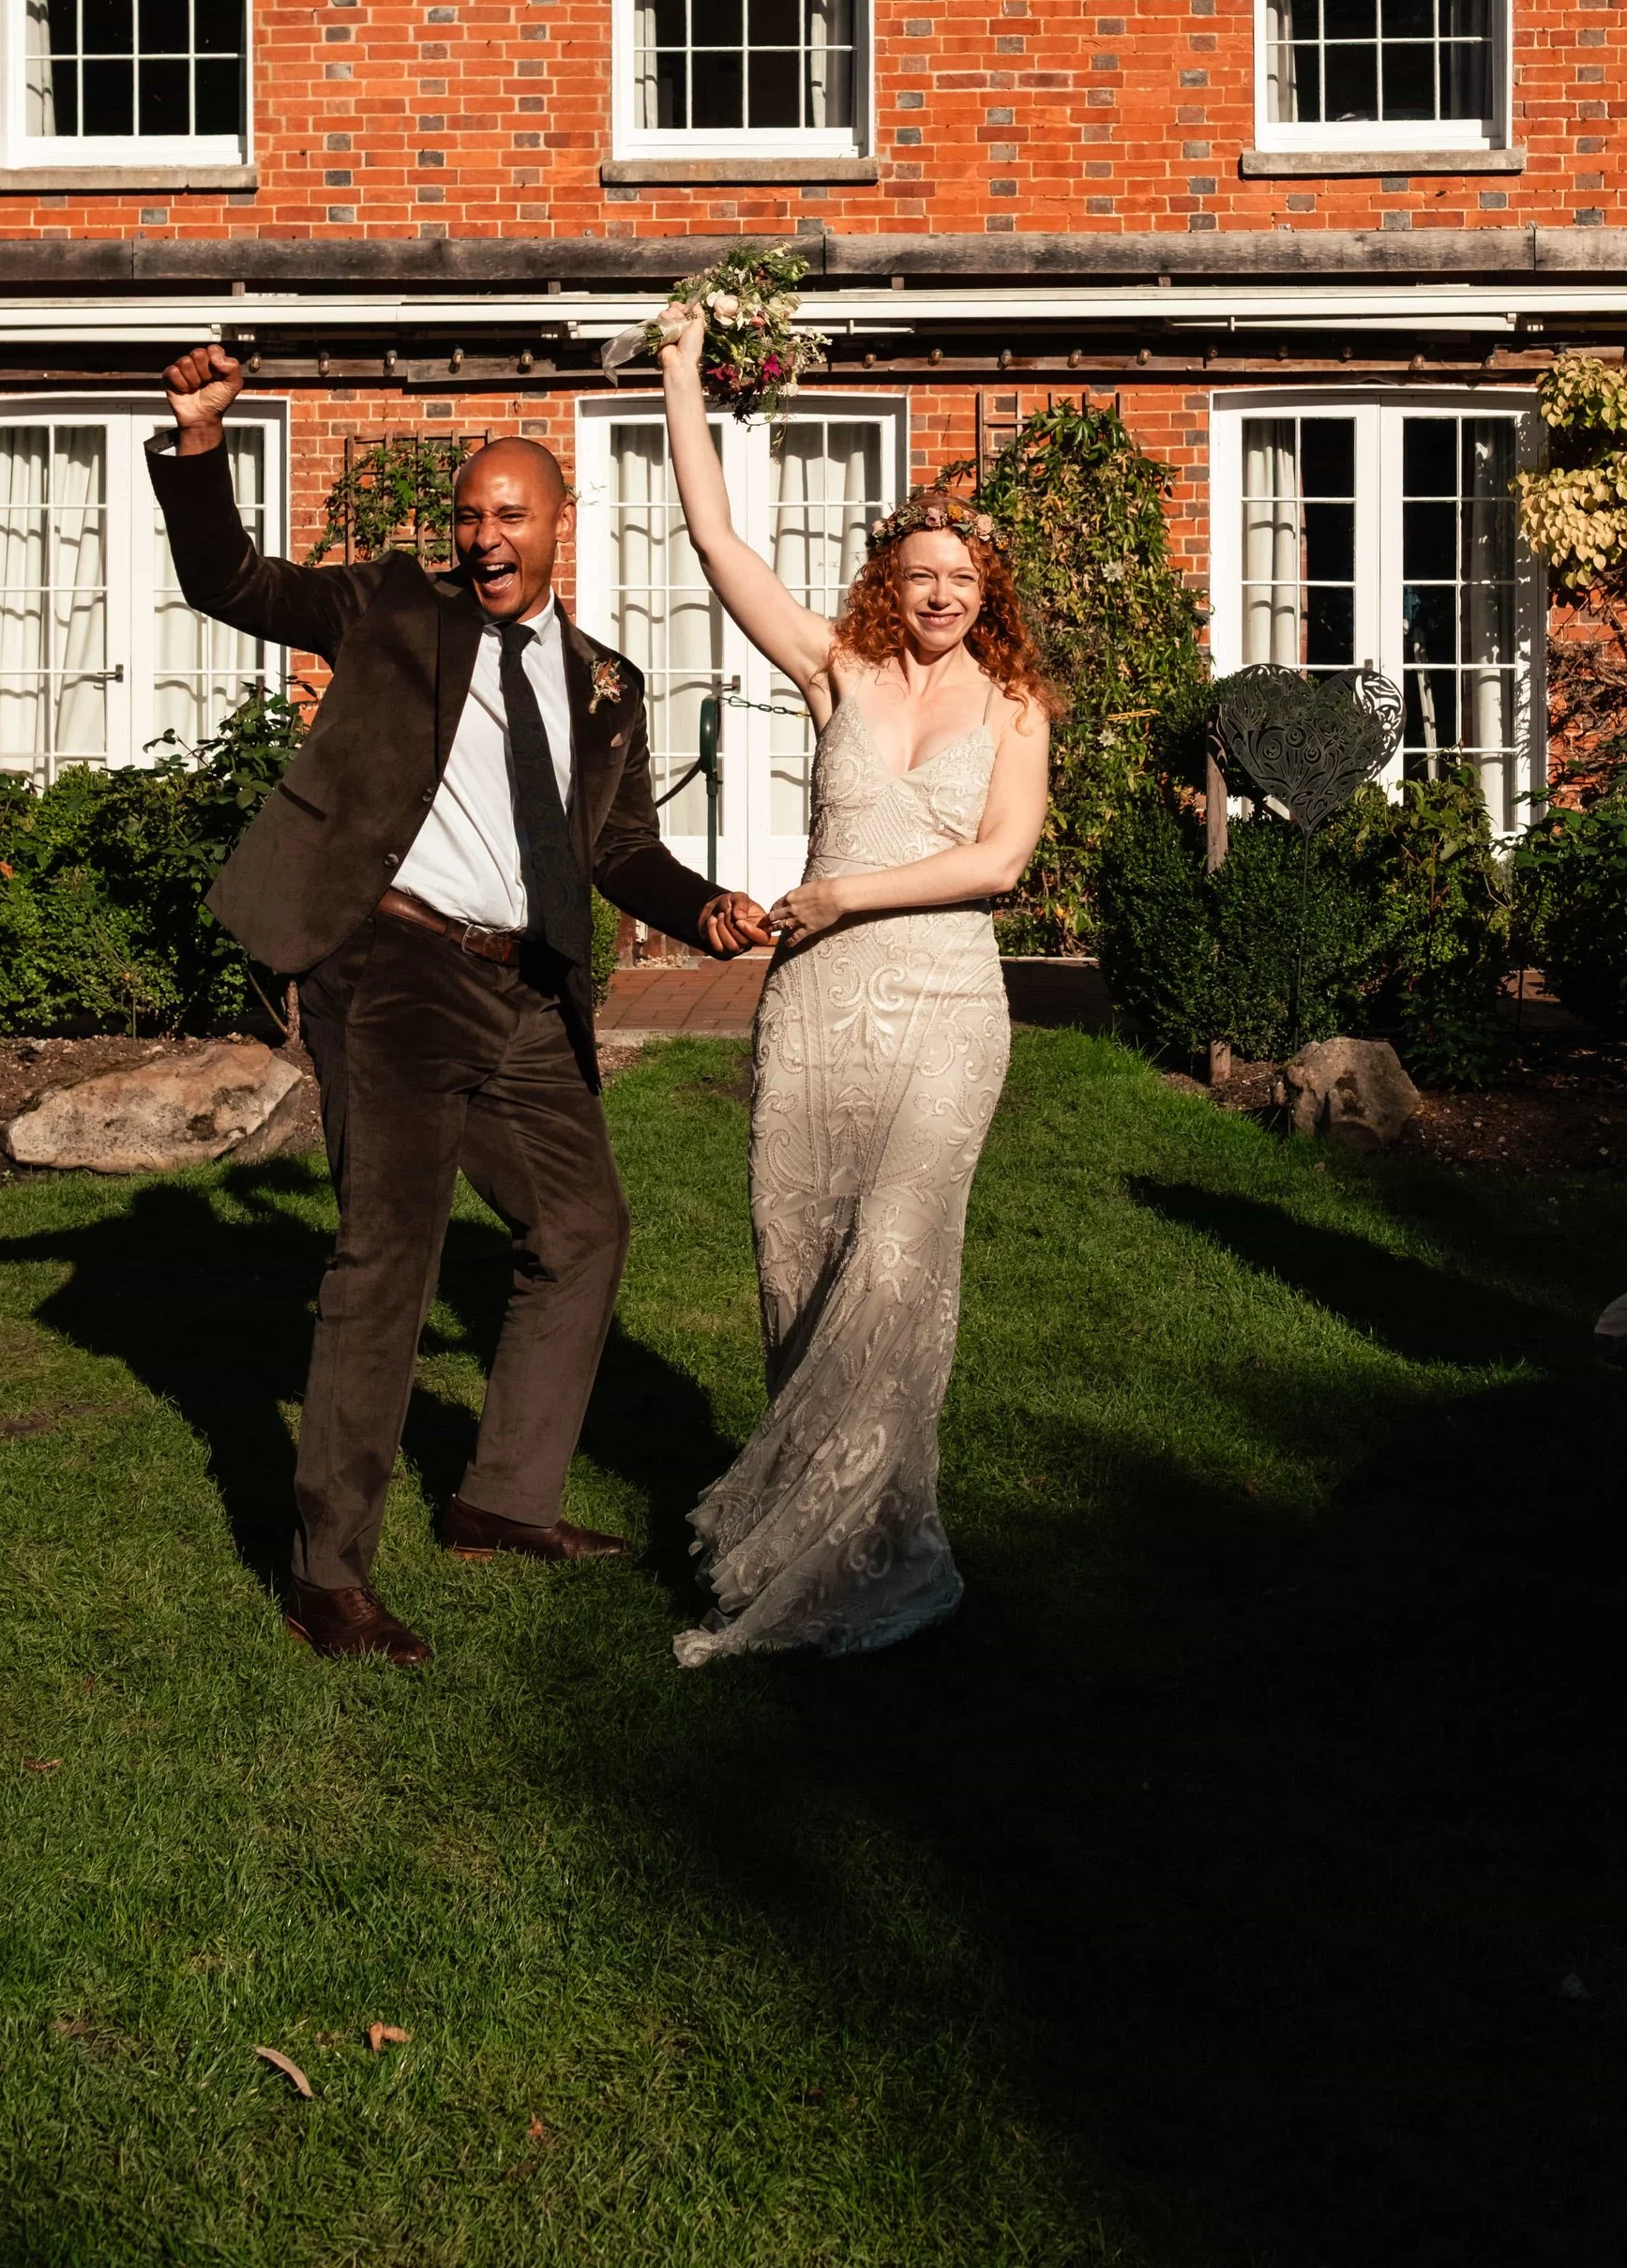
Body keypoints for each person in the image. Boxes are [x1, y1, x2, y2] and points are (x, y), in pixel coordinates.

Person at [151, 346, 771, 1666]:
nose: (484, 535)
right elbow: (233, 582)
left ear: (561, 524)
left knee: (585, 1221)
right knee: (390, 1256)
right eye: (470, 513)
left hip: (529, 990)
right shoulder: (392, 606)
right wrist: (201, 444)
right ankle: (330, 1572)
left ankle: (501, 1499)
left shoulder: (605, 680)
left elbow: (617, 851)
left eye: (510, 514)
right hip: (397, 970)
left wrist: (704, 906)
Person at [656, 308, 1054, 1664]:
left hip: (944, 1008)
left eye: (964, 575)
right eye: (922, 571)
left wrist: (839, 895)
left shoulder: (1015, 709)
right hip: (818, 1018)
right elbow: (717, 544)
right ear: (891, 577)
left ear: (990, 589)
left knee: (893, 1258)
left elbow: (999, 862)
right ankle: (836, 1532)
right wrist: (675, 367)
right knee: (802, 1267)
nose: (943, 592)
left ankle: (881, 1550)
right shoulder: (835, 670)